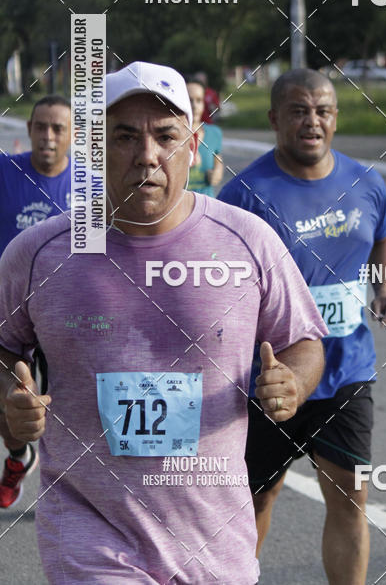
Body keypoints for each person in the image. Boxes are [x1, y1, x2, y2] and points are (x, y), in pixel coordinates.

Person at [0, 61, 327, 584]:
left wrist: (293, 382)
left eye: (166, 136)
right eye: (125, 136)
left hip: (214, 535)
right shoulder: (39, 253)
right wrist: (9, 401)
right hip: (90, 527)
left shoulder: (247, 241)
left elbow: (303, 341)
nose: (147, 155)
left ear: (193, 146)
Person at [219, 68, 386, 585]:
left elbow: (385, 237)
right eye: (299, 111)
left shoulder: (366, 182)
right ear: (274, 118)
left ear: (336, 118)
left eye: (322, 111)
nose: (312, 121)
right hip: (269, 379)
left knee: (351, 497)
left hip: (347, 372)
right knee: (256, 499)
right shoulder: (244, 194)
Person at [0, 94, 71, 509]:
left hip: (66, 312)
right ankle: (19, 455)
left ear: (72, 135)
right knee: (9, 400)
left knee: (72, 408)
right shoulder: (6, 172)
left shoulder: (90, 187)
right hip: (9, 312)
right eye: (41, 127)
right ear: (28, 130)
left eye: (58, 128)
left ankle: (75, 490)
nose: (48, 136)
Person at [185, 79, 223, 197]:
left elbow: (217, 158)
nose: (194, 106)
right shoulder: (169, 136)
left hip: (207, 204)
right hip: (179, 206)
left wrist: (218, 171)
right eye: (189, 100)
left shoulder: (214, 133)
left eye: (199, 100)